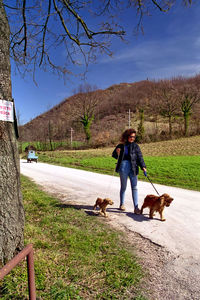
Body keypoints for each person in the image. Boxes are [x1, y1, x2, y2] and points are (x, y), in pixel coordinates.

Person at [112, 128, 146, 214]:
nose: (132, 138)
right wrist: (117, 152)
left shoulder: (136, 146)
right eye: (131, 136)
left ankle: (136, 207)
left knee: (134, 187)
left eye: (134, 137)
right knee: (123, 187)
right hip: (123, 167)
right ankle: (122, 204)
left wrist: (143, 167)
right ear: (127, 136)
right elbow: (114, 155)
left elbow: (140, 157)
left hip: (134, 167)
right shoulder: (121, 145)